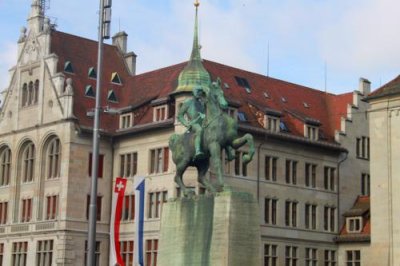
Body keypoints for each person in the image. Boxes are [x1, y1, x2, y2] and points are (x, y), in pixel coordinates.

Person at [177, 86, 206, 159]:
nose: (199, 93)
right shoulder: (188, 102)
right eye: (198, 91)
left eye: (200, 92)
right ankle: (197, 150)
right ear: (194, 92)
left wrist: (204, 115)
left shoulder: (202, 103)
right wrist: (186, 124)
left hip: (203, 123)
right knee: (199, 130)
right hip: (194, 124)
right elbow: (180, 115)